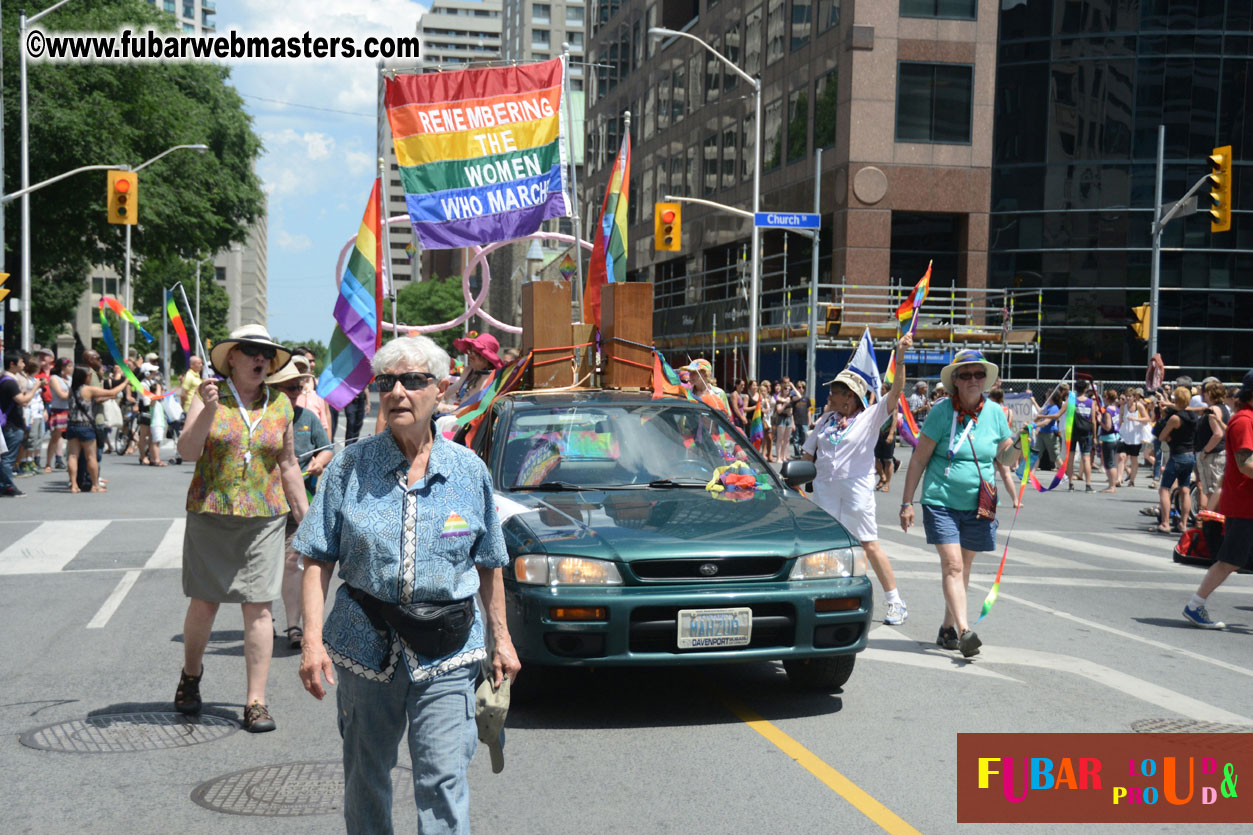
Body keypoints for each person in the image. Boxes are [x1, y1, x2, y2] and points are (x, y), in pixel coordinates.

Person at [294, 335, 520, 834]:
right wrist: (311, 643)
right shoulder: (349, 468)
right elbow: (315, 558)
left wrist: (500, 640)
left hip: (449, 650)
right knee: (365, 777)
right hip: (363, 646)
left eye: (413, 381)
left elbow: (489, 562)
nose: (398, 392)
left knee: (442, 780)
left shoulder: (468, 471)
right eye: (387, 381)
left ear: (440, 390)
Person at [174, 324, 307, 733]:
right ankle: (191, 676)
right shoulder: (209, 396)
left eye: (265, 353)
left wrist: (308, 519)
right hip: (211, 513)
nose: (259, 358)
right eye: (250, 350)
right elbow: (187, 451)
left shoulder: (281, 406)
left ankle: (256, 702)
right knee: (205, 603)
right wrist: (210, 409)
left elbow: (287, 465)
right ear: (231, 357)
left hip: (265, 518)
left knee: (260, 607)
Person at [898, 349, 1013, 658]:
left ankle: (948, 627)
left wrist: (1026, 444)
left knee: (964, 567)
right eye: (966, 375)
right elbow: (919, 459)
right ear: (956, 382)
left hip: (980, 502)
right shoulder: (940, 413)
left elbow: (1006, 458)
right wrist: (907, 502)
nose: (973, 379)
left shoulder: (996, 413)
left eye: (978, 374)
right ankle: (965, 632)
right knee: (953, 564)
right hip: (941, 499)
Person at [804, 334, 914, 625]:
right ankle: (829, 600)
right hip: (826, 490)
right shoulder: (825, 420)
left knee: (868, 544)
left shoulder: (870, 417)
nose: (829, 395)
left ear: (850, 396)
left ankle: (895, 602)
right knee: (825, 547)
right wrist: (796, 487)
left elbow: (896, 391)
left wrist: (899, 356)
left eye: (835, 391)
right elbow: (807, 454)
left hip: (856, 489)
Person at [267, 361, 334, 651]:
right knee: (265, 564)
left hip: (302, 499)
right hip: (265, 503)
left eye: (299, 387)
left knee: (293, 564)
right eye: (290, 387)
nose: (296, 392)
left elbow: (327, 448)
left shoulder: (307, 417)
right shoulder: (263, 417)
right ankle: (262, 618)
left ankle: (294, 625)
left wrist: (320, 462)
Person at [1182, 369, 1253, 629]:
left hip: (1246, 503)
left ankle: (1195, 605)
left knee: (1231, 560)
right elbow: (1246, 464)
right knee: (1229, 561)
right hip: (1246, 505)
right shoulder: (1244, 420)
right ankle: (1195, 605)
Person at [64, 368, 128, 493]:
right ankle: (94, 485)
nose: (90, 376)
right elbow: (112, 392)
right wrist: (125, 382)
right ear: (84, 377)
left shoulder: (72, 389)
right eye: (89, 375)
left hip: (72, 425)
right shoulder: (88, 389)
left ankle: (74, 485)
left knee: (72, 456)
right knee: (91, 457)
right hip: (85, 426)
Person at [1154, 386, 1198, 534]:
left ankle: (1165, 523)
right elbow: (1182, 408)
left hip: (1177, 455)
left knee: (1164, 489)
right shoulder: (1193, 416)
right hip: (1190, 454)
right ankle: (1183, 524)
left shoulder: (1175, 418)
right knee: (1185, 489)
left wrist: (1168, 437)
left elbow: (1161, 436)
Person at [2, 351, 45, 497]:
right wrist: (35, 388)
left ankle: (5, 484)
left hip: (10, 424)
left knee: (7, 457)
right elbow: (23, 401)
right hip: (11, 424)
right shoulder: (10, 382)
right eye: (21, 362)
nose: (24, 364)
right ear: (12, 364)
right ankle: (7, 486)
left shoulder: (6, 379)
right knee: (8, 458)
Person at [440, 332, 503, 413]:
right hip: (455, 415)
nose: (470, 355)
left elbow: (476, 410)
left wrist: (445, 408)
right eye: (470, 351)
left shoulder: (492, 378)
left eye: (475, 353)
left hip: (468, 421)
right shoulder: (469, 370)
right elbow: (450, 392)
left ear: (487, 358)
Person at [1195, 380, 1230, 512]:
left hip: (1212, 455)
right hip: (1218, 453)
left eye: (1204, 392)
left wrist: (1205, 451)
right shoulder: (1223, 408)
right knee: (1215, 489)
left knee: (1212, 491)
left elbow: (1217, 434)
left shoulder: (1214, 409)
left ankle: (1214, 521)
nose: (1202, 395)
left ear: (1209, 393)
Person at [988, 387, 1022, 505]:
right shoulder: (1009, 412)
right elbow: (1008, 427)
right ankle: (1015, 500)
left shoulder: (991, 410)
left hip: (993, 444)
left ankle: (992, 499)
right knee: (1006, 475)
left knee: (990, 474)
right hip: (1004, 443)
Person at [1117, 388, 1150, 487]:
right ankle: (1119, 479)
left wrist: (1135, 419)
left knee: (1133, 459)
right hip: (1125, 435)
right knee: (1121, 457)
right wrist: (1118, 430)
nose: (1127, 398)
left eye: (1129, 396)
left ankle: (1132, 480)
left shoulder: (1139, 406)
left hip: (1135, 436)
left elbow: (1147, 419)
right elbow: (1120, 419)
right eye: (1126, 396)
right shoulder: (1123, 407)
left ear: (1134, 397)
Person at [1067, 380, 1096, 492]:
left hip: (1073, 431)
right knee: (1086, 458)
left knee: (1071, 457)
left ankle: (1071, 483)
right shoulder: (1091, 402)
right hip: (1085, 432)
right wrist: (1094, 436)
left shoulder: (1072, 401)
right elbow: (1093, 420)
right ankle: (1088, 484)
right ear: (1085, 390)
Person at [45, 357, 72, 471]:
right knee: (55, 438)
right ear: (62, 367)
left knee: (72, 439)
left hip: (70, 410)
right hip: (59, 410)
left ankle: (70, 462)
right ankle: (48, 463)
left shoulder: (70, 378)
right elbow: (62, 395)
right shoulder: (54, 378)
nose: (71, 368)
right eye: (69, 366)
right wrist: (72, 391)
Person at [1033, 385, 1068, 472]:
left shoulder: (1054, 408)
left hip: (1050, 434)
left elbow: (1046, 422)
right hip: (1042, 433)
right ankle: (1031, 475)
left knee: (1055, 456)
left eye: (1048, 393)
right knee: (1036, 454)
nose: (1046, 394)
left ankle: (1065, 473)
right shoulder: (1047, 407)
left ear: (1052, 396)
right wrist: (1033, 422)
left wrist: (1035, 426)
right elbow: (1039, 418)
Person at [1097, 388, 1121, 493]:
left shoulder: (1108, 411)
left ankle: (1112, 486)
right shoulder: (1116, 409)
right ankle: (1112, 484)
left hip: (1109, 438)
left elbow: (1107, 426)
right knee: (1112, 462)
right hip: (1116, 437)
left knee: (1109, 463)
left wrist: (1099, 421)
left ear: (1107, 398)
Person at [874, 382, 897, 492]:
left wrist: (891, 433)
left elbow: (895, 418)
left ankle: (887, 483)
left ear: (888, 391)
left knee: (887, 461)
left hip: (888, 433)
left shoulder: (893, 402)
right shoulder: (878, 402)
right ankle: (882, 476)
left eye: (883, 389)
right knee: (875, 458)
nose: (880, 391)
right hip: (878, 433)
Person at [773, 378, 795, 463]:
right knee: (780, 438)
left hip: (789, 418)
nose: (787, 390)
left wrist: (792, 386)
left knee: (787, 439)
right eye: (786, 388)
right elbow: (779, 410)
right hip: (781, 418)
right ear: (783, 389)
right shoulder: (780, 398)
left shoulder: (790, 398)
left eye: (789, 389)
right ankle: (778, 457)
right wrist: (785, 404)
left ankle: (783, 456)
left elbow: (799, 396)